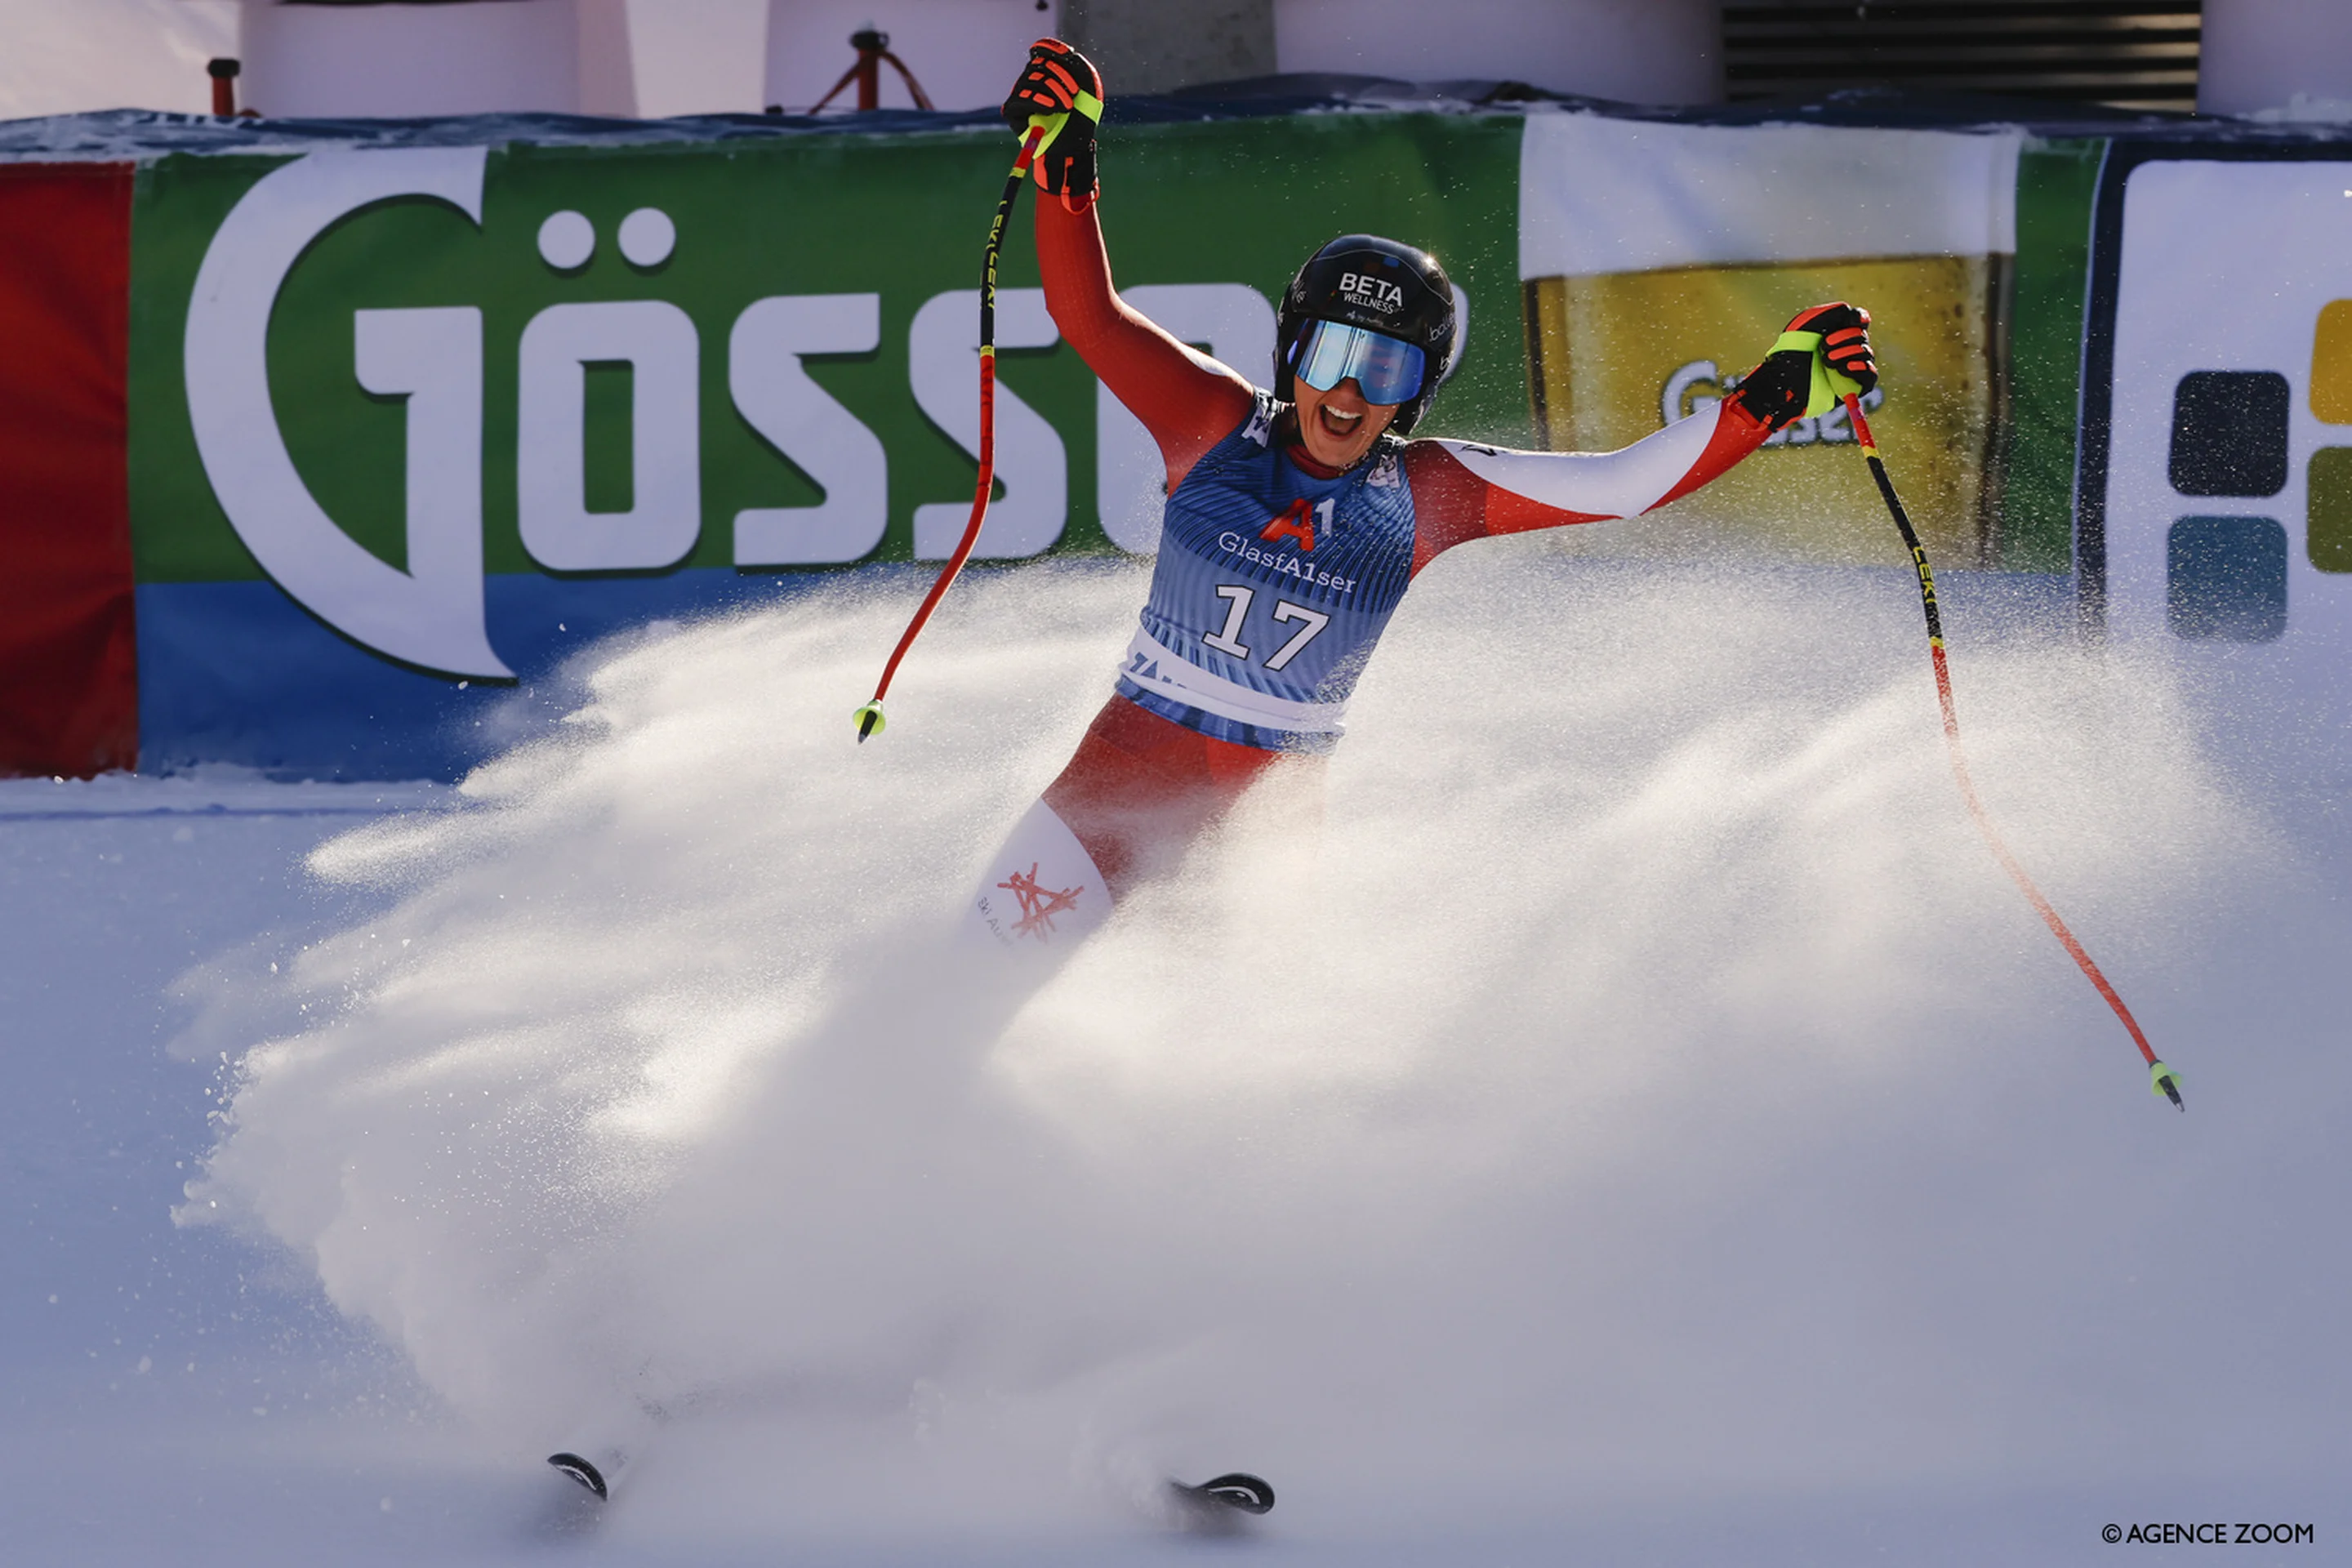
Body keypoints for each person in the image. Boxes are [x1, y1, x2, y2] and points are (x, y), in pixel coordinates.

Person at [966, 40, 1878, 954]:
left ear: (1419, 392)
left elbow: (1624, 485)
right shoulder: (1211, 422)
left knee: (1233, 1069)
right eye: (1329, 356)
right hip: (1110, 790)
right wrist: (1069, 172)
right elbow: (1090, 318)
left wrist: (1767, 402)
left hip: (1261, 834)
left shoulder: (1427, 491)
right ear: (1291, 354)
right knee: (967, 988)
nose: (1350, 394)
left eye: (1386, 368)